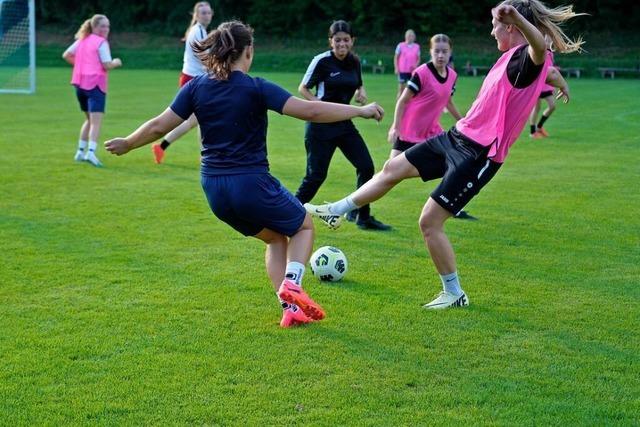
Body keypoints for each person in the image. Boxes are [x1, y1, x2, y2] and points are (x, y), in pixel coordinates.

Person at [104, 21, 384, 328]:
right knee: (303, 227)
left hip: (214, 190)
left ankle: (289, 309)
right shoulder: (256, 86)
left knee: (276, 240)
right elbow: (312, 112)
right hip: (250, 183)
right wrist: (360, 111)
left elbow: (160, 125)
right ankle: (293, 283)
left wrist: (128, 143)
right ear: (247, 51)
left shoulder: (196, 87)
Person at [305, 0, 579, 310]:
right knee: (393, 167)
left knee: (429, 222)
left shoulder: (526, 59)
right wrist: (561, 81)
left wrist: (514, 15)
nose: (491, 31)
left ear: (512, 27)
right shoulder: (513, 58)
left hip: (480, 153)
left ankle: (454, 293)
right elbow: (549, 69)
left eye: (496, 26)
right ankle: (337, 210)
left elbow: (540, 50)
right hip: (457, 136)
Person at [295, 20, 391, 231]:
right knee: (315, 176)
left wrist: (361, 91)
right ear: (330, 41)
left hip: (344, 125)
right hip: (320, 127)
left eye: (346, 40)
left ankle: (362, 217)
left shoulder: (354, 61)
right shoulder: (321, 61)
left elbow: (357, 82)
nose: (342, 44)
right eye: (337, 40)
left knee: (366, 166)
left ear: (352, 41)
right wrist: (318, 106)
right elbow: (303, 88)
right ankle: (288, 213)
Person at [388, 33, 477, 220]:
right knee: (388, 174)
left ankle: (452, 206)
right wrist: (395, 127)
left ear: (450, 52)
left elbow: (448, 102)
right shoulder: (421, 73)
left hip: (432, 132)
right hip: (409, 131)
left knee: (456, 165)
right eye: (437, 51)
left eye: (444, 52)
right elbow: (403, 101)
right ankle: (359, 210)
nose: (441, 55)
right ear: (430, 52)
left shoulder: (452, 76)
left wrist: (463, 122)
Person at [152, 1, 213, 164]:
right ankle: (205, 157)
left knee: (196, 120)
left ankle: (162, 147)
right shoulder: (198, 31)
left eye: (208, 12)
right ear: (197, 15)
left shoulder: (200, 31)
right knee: (198, 119)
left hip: (193, 79)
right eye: (203, 13)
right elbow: (204, 59)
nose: (206, 15)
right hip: (193, 80)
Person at [63, 14, 122, 167]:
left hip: (80, 84)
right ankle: (91, 152)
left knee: (89, 120)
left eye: (107, 26)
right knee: (96, 122)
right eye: (103, 26)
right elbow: (107, 65)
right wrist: (116, 62)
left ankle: (80, 151)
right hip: (95, 85)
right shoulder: (101, 42)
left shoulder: (82, 40)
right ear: (94, 27)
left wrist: (81, 66)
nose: (106, 29)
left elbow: (67, 55)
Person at [529, 38, 557, 138]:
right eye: (546, 40)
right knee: (537, 108)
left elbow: (550, 71)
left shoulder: (550, 53)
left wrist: (553, 86)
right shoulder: (540, 53)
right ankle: (533, 132)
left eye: (550, 40)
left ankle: (539, 127)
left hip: (546, 85)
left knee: (552, 106)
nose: (549, 42)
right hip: (537, 85)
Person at [394, 29, 421, 99]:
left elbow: (418, 58)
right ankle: (398, 104)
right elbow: (396, 57)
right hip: (402, 70)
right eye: (408, 36)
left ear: (414, 37)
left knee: (411, 89)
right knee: (401, 88)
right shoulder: (400, 45)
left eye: (412, 36)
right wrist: (396, 68)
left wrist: (416, 65)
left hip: (412, 71)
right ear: (405, 37)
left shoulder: (417, 47)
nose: (410, 37)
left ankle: (409, 104)